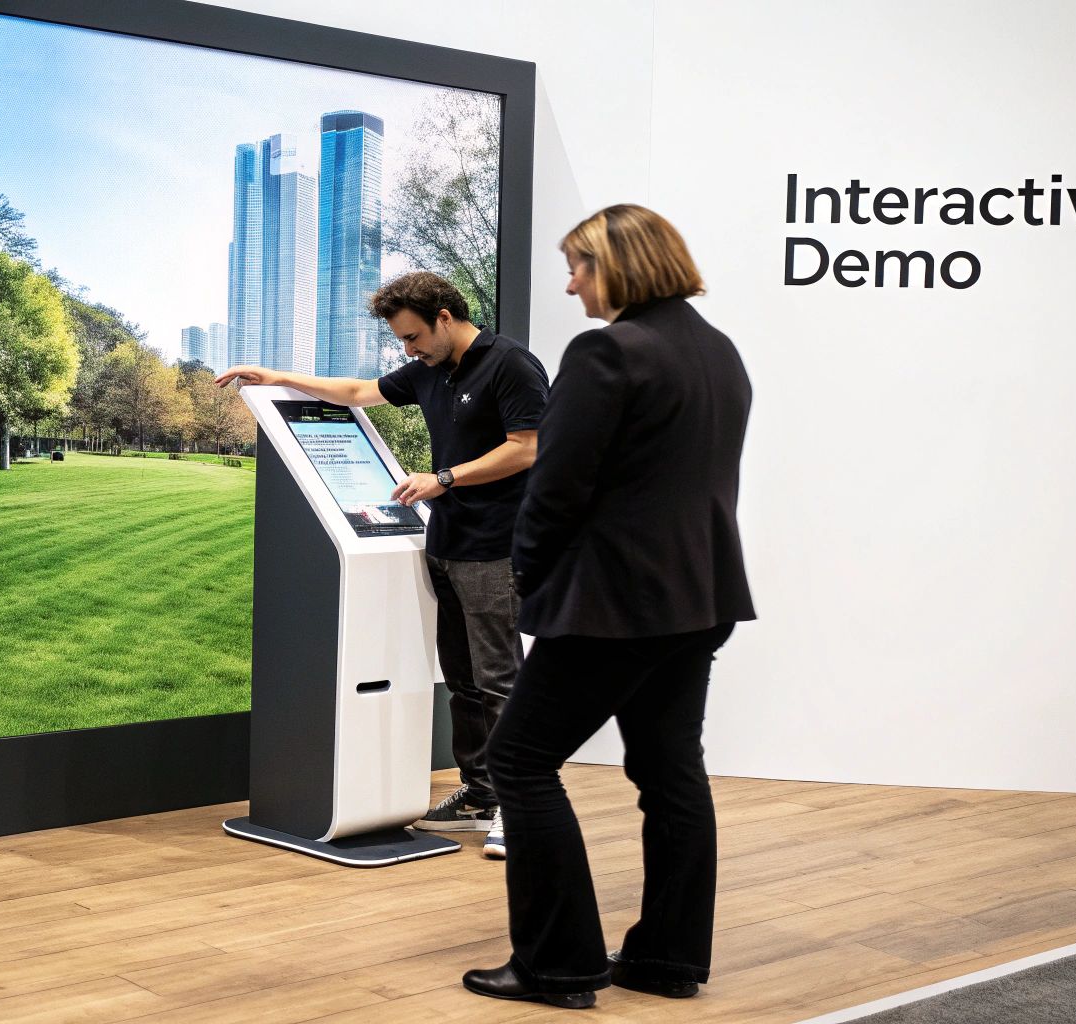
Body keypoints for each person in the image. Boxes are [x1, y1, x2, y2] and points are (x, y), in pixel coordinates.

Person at [461, 205, 755, 1009]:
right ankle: (666, 961)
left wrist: (530, 576)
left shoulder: (605, 352)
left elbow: (555, 491)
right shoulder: (719, 352)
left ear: (620, 264)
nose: (570, 284)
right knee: (670, 773)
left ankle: (556, 967)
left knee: (519, 762)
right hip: (699, 598)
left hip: (611, 604)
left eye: (579, 267)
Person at [215, 271, 549, 858]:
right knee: (463, 682)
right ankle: (479, 793)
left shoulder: (510, 364)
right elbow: (358, 392)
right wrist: (279, 377)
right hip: (445, 545)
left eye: (414, 337)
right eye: (402, 341)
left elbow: (528, 447)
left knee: (501, 681)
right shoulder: (429, 370)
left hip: (496, 546)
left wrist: (444, 478)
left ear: (445, 317)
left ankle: (520, 810)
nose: (408, 350)